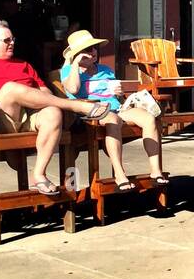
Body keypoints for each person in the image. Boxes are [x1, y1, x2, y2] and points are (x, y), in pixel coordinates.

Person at [0, 20, 109, 196]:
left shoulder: (23, 65)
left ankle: (39, 174)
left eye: (13, 39)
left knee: (53, 112)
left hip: (29, 116)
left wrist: (31, 96)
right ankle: (75, 106)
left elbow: (45, 92)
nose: (12, 43)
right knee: (10, 88)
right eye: (7, 40)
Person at [60, 30, 167, 188]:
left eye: (95, 47)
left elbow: (115, 95)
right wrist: (75, 63)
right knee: (113, 120)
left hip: (117, 108)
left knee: (149, 118)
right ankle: (119, 174)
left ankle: (156, 172)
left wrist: (119, 93)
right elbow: (73, 89)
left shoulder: (105, 69)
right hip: (92, 113)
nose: (94, 52)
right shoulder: (69, 71)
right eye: (89, 49)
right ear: (78, 54)